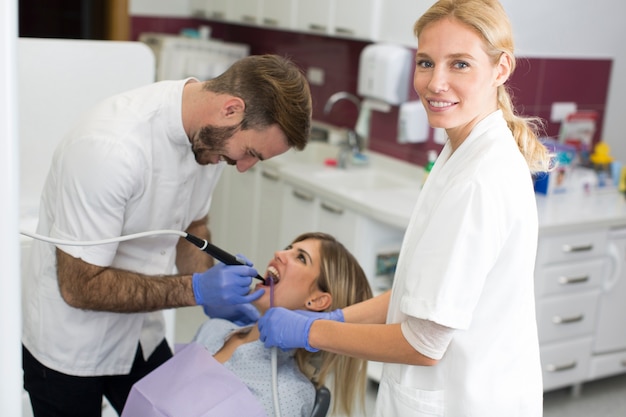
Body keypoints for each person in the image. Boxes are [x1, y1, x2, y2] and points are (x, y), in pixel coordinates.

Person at [258, 1, 553, 416]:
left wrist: (313, 331)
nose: (436, 83)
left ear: (501, 68)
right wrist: (341, 318)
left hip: (467, 401)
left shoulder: (479, 179)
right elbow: (421, 295)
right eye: (426, 62)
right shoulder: (463, 150)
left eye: (460, 65)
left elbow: (423, 343)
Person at [22, 54, 312, 417]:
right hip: (71, 347)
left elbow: (194, 227)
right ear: (231, 109)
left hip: (140, 332)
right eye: (251, 153)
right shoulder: (110, 149)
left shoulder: (209, 142)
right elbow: (78, 286)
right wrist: (196, 289)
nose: (243, 167)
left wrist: (210, 283)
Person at [190, 232, 373, 417]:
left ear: (317, 301)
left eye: (301, 258)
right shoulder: (212, 330)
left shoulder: (288, 394)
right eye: (288, 248)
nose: (278, 253)